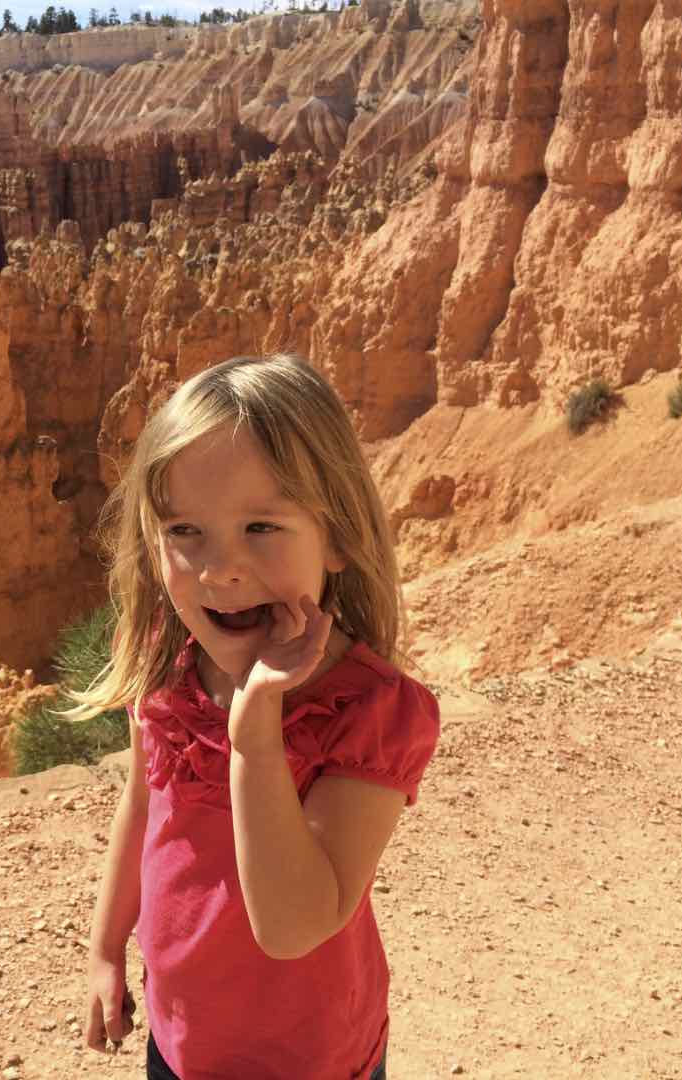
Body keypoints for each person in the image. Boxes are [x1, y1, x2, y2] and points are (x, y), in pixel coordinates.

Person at [70, 354, 440, 1079]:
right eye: (186, 530)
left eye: (262, 526)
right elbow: (143, 806)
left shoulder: (370, 714)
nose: (220, 569)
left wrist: (255, 737)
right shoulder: (170, 663)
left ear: (338, 536)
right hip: (179, 1044)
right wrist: (106, 949)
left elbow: (293, 925)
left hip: (312, 1062)